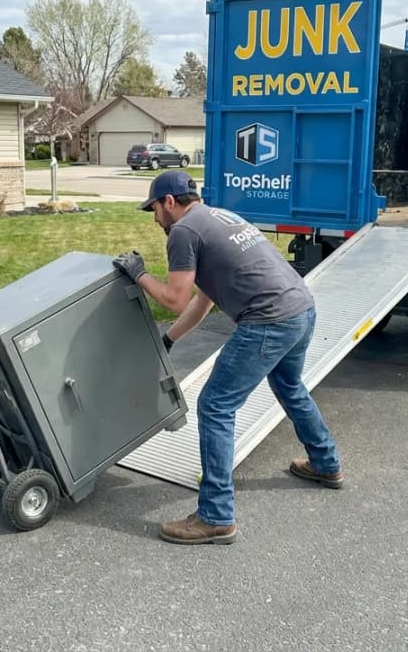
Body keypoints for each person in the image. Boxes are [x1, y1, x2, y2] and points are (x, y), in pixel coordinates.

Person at [113, 170, 343, 545]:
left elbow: (175, 299)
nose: (155, 219)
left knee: (215, 405)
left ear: (169, 202)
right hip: (300, 309)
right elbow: (203, 301)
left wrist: (139, 275)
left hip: (268, 320)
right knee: (289, 386)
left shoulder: (184, 232)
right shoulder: (220, 218)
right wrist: (169, 339)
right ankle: (326, 464)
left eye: (154, 209)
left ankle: (216, 516)